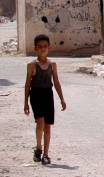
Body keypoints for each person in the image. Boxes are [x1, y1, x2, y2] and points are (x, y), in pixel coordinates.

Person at [23, 34, 67, 165]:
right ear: (35, 48)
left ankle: (46, 154)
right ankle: (38, 148)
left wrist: (62, 99)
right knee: (40, 122)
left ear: (49, 48)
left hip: (48, 95)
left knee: (47, 126)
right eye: (40, 47)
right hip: (36, 95)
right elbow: (28, 84)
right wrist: (26, 102)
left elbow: (56, 82)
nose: (42, 49)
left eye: (45, 46)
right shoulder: (31, 65)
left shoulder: (52, 65)